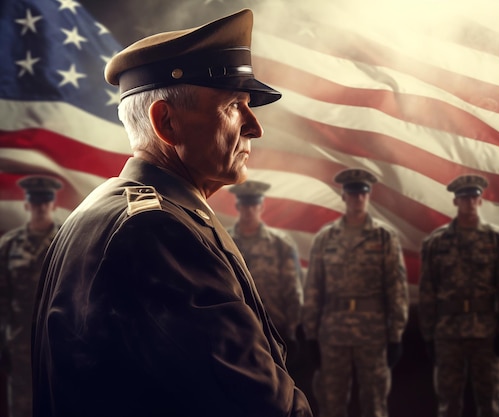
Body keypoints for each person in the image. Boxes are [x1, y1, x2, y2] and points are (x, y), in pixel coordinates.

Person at [31, 9, 312, 417]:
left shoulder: (101, 210)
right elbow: (263, 407)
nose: (255, 127)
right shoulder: (158, 232)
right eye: (234, 105)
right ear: (166, 122)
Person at [302, 168, 409, 417]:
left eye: (362, 193)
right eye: (352, 193)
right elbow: (314, 288)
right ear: (344, 196)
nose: (357, 198)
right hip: (333, 334)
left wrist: (395, 336)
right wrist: (311, 335)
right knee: (331, 403)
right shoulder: (326, 238)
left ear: (368, 195)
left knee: (374, 404)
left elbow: (396, 288)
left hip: (372, 334)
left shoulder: (384, 238)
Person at [417, 174, 499, 417]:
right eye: (464, 198)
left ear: (480, 201)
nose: (469, 202)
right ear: (455, 202)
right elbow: (427, 290)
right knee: (448, 405)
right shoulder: (437, 242)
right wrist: (429, 334)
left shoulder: (495, 239)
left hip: (486, 332)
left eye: (474, 197)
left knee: (489, 404)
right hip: (448, 333)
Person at [0, 176, 62, 417]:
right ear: (27, 205)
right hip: (20, 345)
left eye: (45, 202)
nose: (40, 208)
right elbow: (2, 299)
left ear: (53, 204)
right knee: (23, 409)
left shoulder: (65, 240)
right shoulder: (9, 245)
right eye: (35, 203)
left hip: (56, 342)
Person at [227, 180, 303, 368]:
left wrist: (293, 331)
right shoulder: (225, 242)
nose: (249, 210)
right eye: (245, 205)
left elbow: (293, 290)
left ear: (261, 207)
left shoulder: (280, 243)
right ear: (238, 206)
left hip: (276, 330)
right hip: (237, 330)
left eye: (254, 205)